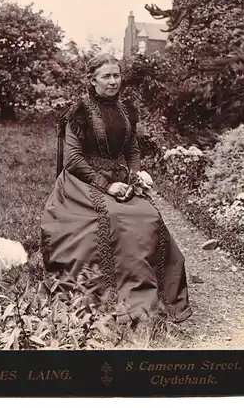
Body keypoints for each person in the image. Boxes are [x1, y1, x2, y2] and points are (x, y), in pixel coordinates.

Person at [41, 53, 192, 323]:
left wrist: (133, 177)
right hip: (83, 181)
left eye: (117, 75)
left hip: (120, 178)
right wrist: (107, 186)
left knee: (149, 217)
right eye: (106, 76)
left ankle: (148, 294)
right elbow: (73, 160)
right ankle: (110, 295)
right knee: (114, 218)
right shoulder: (79, 112)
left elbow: (132, 149)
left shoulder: (126, 111)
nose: (114, 81)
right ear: (92, 80)